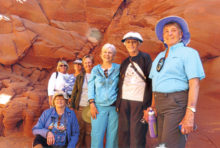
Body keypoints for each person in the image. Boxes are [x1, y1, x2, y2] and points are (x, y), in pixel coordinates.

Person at [147, 16, 205, 148]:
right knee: (162, 144)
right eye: (166, 31)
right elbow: (155, 84)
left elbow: (194, 83)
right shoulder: (159, 57)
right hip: (160, 104)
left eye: (173, 30)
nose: (170, 33)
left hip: (176, 104)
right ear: (163, 36)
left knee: (170, 145)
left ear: (181, 34)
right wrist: (153, 107)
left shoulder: (189, 53)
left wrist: (190, 113)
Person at [116, 32, 152, 148]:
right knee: (123, 134)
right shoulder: (125, 62)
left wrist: (149, 105)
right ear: (125, 44)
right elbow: (121, 83)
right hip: (124, 102)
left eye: (134, 42)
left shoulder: (145, 58)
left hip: (139, 102)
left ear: (139, 44)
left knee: (137, 135)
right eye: (128, 42)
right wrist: (119, 103)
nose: (131, 44)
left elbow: (151, 81)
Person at [88, 43, 120, 148]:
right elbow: (91, 87)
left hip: (114, 108)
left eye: (110, 52)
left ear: (114, 55)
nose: (107, 54)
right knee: (97, 136)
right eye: (105, 52)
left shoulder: (118, 68)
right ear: (101, 55)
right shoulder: (95, 70)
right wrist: (92, 104)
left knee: (113, 137)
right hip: (98, 107)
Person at [70, 55, 94, 148]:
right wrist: (72, 106)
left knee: (89, 132)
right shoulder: (80, 76)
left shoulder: (96, 75)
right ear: (83, 64)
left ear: (92, 64)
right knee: (79, 130)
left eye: (89, 62)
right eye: (85, 63)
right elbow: (74, 92)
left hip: (91, 108)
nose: (87, 64)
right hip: (80, 107)